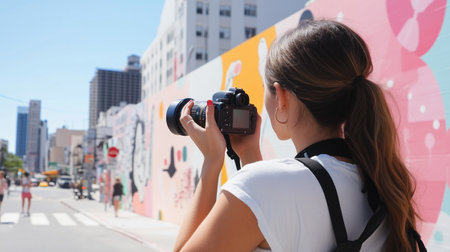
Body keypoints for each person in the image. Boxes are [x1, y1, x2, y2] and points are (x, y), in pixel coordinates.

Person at [174, 20, 420, 251]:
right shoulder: (384, 183)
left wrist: (211, 165)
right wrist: (249, 154)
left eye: (265, 88)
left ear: (281, 97)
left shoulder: (261, 186)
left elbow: (272, 205)